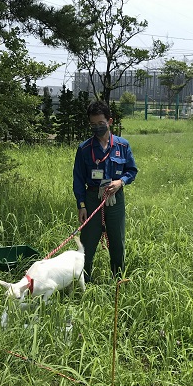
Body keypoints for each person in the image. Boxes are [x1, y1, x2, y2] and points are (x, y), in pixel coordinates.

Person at [73, 100, 138, 282]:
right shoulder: (84, 149)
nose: (97, 128)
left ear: (109, 121)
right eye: (93, 125)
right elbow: (78, 179)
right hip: (92, 198)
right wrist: (82, 205)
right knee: (88, 243)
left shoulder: (122, 146)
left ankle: (118, 281)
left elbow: (132, 171)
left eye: (101, 124)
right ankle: (84, 282)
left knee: (117, 241)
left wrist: (121, 182)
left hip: (114, 198)